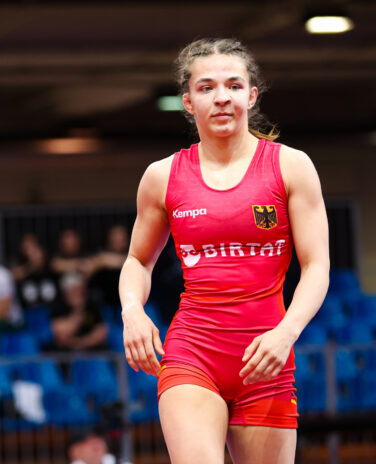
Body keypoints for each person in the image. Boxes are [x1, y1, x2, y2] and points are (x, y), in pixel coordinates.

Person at [119, 38, 329, 464]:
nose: (221, 97)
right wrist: (132, 311)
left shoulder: (290, 166)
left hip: (266, 359)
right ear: (188, 102)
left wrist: (287, 333)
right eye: (206, 87)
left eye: (233, 86)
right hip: (193, 353)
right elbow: (138, 260)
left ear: (251, 96)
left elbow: (317, 265)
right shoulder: (162, 176)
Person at [50, 272, 108, 352]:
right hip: (65, 354)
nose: (81, 293)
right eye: (76, 290)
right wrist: (78, 310)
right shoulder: (58, 306)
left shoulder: (91, 305)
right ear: (67, 292)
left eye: (82, 289)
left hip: (91, 352)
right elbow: (62, 336)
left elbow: (101, 334)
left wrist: (81, 343)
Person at [11, 233, 59, 310]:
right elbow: (14, 275)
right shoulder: (19, 263)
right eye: (27, 248)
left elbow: (58, 265)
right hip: (28, 311)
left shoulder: (50, 263)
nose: (31, 252)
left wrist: (41, 262)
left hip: (52, 310)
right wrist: (31, 265)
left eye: (33, 247)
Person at [87, 224, 130, 308]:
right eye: (115, 240)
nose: (118, 243)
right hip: (105, 303)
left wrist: (104, 260)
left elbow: (129, 261)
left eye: (121, 240)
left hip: (130, 300)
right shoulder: (100, 255)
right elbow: (87, 267)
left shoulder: (132, 255)